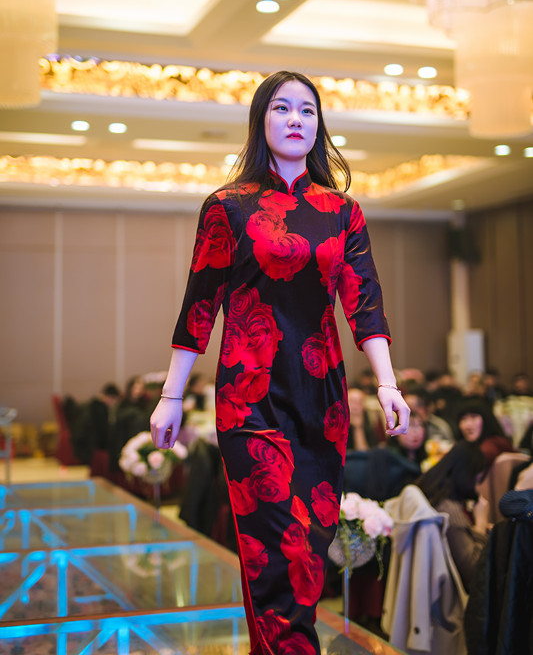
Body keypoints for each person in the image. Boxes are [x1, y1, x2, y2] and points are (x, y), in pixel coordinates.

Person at [150, 70, 409, 655]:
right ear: (261, 120)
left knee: (309, 556)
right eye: (282, 108)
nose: (296, 119)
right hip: (249, 399)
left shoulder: (341, 211)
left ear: (319, 126)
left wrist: (387, 383)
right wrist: (171, 396)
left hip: (323, 402)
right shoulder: (228, 206)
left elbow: (364, 302)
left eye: (307, 110)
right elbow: (199, 307)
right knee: (276, 552)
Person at [417, 441, 490, 592]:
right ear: (467, 476)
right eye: (477, 480)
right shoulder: (450, 510)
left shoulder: (431, 489)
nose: (477, 488)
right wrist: (481, 524)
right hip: (455, 595)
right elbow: (473, 571)